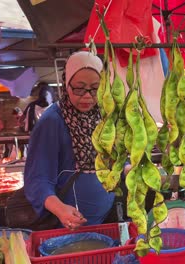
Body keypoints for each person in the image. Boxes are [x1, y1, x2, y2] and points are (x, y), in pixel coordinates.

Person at [24, 51, 115, 230]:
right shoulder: (53, 121)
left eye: (95, 88)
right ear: (67, 85)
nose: (88, 96)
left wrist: (128, 167)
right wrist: (60, 210)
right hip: (68, 225)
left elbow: (111, 159)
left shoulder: (102, 116)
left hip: (107, 218)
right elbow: (37, 180)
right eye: (79, 88)